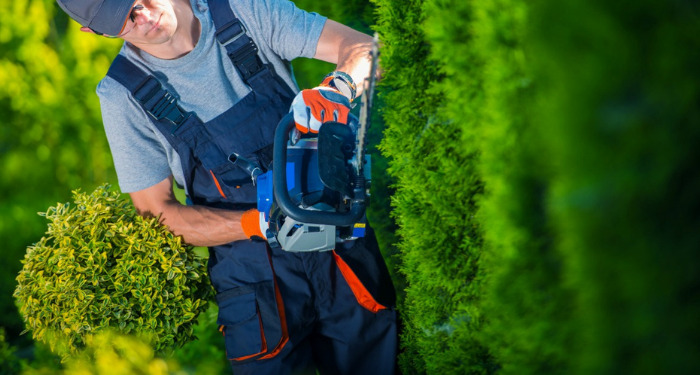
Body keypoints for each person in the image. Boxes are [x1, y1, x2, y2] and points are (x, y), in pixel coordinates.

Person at [55, 0, 398, 374]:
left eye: (139, 2)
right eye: (125, 21)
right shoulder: (123, 96)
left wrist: (339, 87)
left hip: (336, 241)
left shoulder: (244, 11)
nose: (145, 18)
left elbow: (366, 48)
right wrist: (256, 224)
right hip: (253, 281)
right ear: (95, 32)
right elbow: (159, 216)